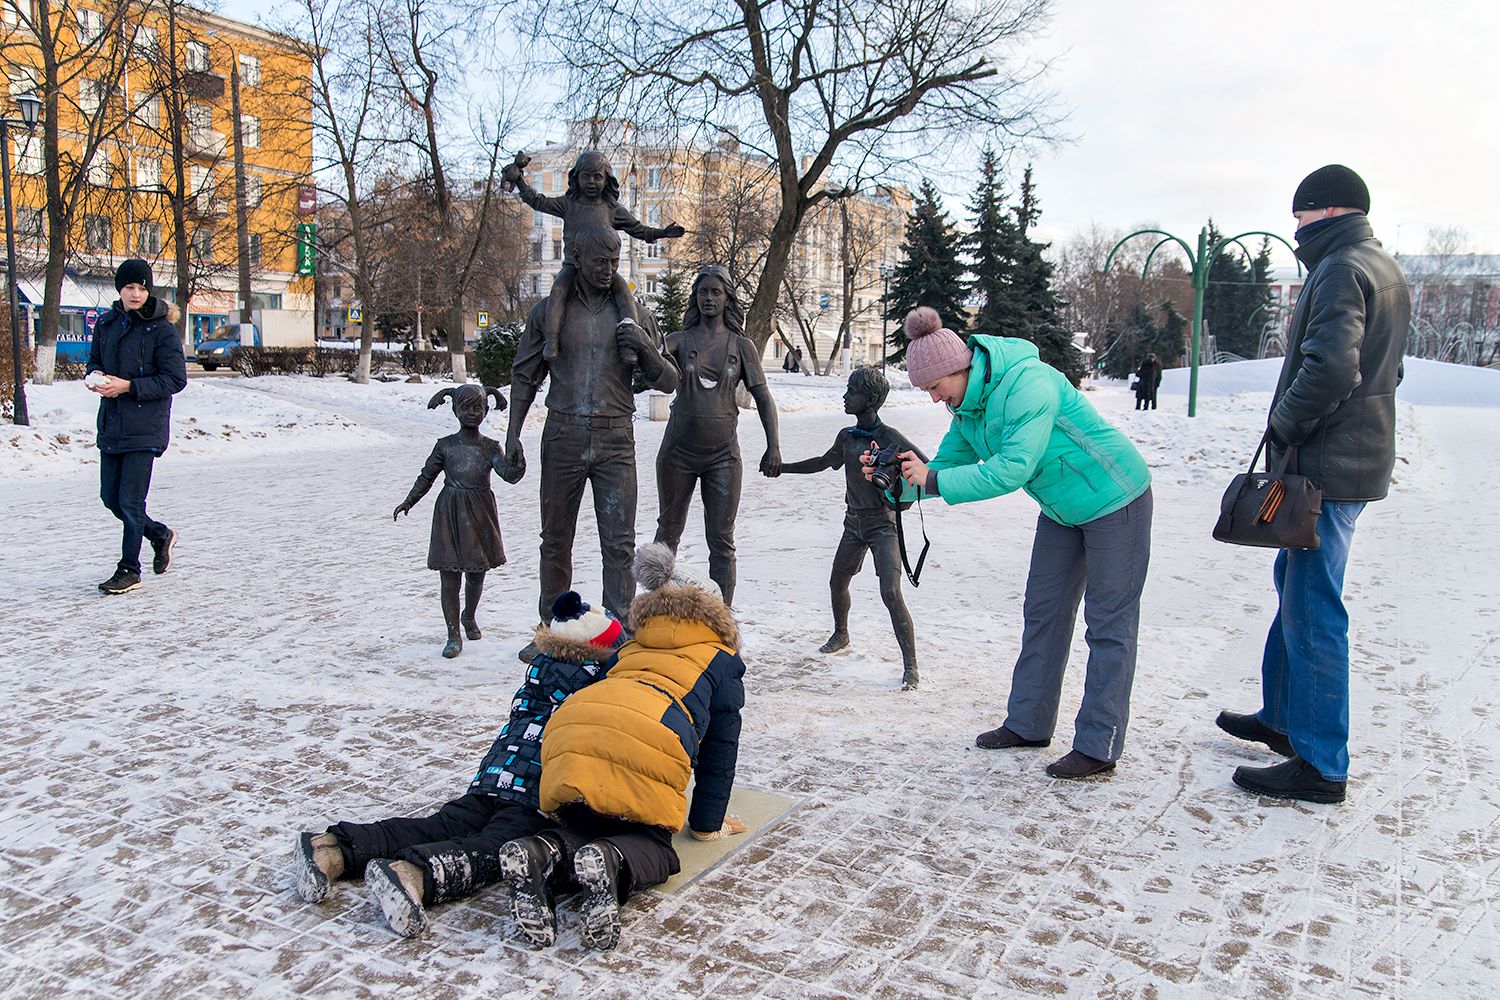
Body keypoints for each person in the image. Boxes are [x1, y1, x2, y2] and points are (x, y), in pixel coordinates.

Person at [875, 307, 1153, 779]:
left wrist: (932, 480)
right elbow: (938, 470)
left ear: (955, 369)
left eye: (933, 386)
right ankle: (1028, 723)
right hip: (1063, 511)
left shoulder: (1030, 382)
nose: (932, 397)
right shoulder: (967, 409)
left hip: (1116, 497)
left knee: (1108, 623)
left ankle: (1098, 744)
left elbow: (1012, 469)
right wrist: (893, 482)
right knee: (1043, 612)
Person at [1218, 165, 1410, 805]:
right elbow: (1392, 369)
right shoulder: (1380, 264)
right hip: (1352, 459)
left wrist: (1285, 421)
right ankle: (1282, 718)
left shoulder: (1339, 268)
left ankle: (1322, 764)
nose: (1293, 229)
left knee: (1314, 607)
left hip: (1326, 466)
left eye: (1298, 217)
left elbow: (1331, 368)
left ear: (1324, 212)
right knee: (1294, 585)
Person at [293, 592, 624, 938]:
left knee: (441, 824)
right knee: (496, 846)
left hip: (495, 774)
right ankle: (414, 875)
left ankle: (333, 848)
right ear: (604, 651)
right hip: (534, 790)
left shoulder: (541, 672)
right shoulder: (597, 685)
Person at [498, 544, 746, 951]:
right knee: (654, 845)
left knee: (586, 821)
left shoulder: (629, 647)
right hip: (647, 738)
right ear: (716, 615)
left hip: (569, 730)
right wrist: (706, 825)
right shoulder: (721, 660)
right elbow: (720, 750)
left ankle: (541, 850)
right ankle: (611, 863)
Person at [505, 225, 680, 648]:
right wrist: (512, 436)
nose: (607, 270)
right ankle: (552, 628)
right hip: (563, 434)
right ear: (576, 258)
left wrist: (646, 346)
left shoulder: (634, 313)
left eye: (613, 262)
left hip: (615, 438)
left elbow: (670, 379)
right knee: (555, 540)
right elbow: (525, 376)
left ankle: (618, 631)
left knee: (619, 544)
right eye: (599, 261)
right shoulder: (549, 312)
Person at [771, 366, 924, 690]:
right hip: (853, 523)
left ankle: (910, 666)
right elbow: (823, 462)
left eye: (851, 390)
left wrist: (901, 496)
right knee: (837, 581)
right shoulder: (847, 437)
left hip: (883, 525)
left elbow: (926, 470)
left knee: (891, 592)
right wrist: (782, 468)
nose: (844, 395)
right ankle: (841, 633)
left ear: (869, 399)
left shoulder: (889, 438)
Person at [654, 265, 781, 605]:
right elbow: (650, 371)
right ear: (695, 298)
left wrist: (774, 447)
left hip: (723, 456)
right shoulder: (678, 341)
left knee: (722, 541)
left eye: (715, 292)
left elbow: (764, 398)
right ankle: (654, 610)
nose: (708, 298)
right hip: (677, 454)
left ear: (727, 299)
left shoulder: (741, 347)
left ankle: (722, 617)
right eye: (703, 292)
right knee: (667, 534)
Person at [502, 150, 685, 362]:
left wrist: (662, 233)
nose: (591, 182)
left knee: (625, 294)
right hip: (574, 267)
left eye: (597, 177)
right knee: (559, 290)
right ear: (576, 177)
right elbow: (538, 201)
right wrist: (521, 182)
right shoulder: (568, 205)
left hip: (603, 271)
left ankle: (629, 345)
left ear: (607, 179)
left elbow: (637, 229)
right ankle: (551, 340)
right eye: (586, 176)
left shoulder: (612, 209)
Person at [85, 259, 188, 595]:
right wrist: (96, 377)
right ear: (120, 289)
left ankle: (129, 569)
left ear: (149, 291)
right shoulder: (107, 324)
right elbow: (96, 361)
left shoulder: (161, 329)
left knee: (130, 501)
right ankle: (159, 534)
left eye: (142, 288)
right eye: (130, 287)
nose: (135, 293)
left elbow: (175, 379)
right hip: (113, 424)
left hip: (145, 425)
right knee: (110, 499)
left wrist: (129, 386)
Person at [393, 384, 516, 658]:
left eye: (477, 408)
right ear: (455, 410)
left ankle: (469, 616)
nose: (472, 413)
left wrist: (516, 458)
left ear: (485, 411)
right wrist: (409, 501)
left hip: (480, 513)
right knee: (449, 578)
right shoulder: (445, 446)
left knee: (476, 574)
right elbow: (427, 476)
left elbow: (509, 474)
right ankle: (453, 634)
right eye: (465, 408)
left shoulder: (490, 447)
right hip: (450, 512)